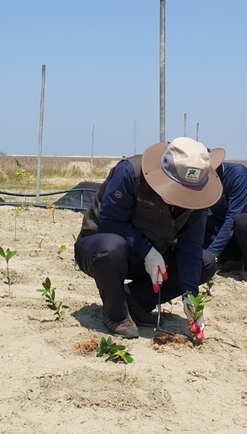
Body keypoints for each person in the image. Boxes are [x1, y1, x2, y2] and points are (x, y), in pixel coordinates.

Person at [75, 137, 223, 339]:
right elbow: (110, 220)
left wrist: (191, 296)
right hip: (101, 250)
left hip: (151, 257)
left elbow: (191, 246)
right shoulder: (130, 172)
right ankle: (115, 314)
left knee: (205, 263)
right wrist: (147, 251)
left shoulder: (198, 197)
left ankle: (134, 301)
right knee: (112, 247)